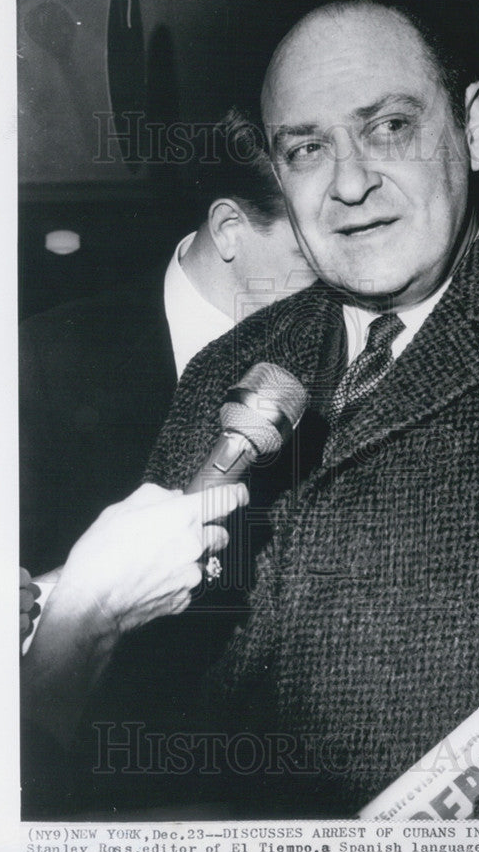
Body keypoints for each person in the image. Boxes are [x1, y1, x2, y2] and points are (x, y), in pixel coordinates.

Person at [24, 0, 479, 819]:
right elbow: (141, 694)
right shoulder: (224, 369)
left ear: (475, 129)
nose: (348, 183)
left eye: (388, 127)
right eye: (307, 149)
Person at [19, 108, 316, 577]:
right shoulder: (41, 360)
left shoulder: (335, 355)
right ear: (228, 230)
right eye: (311, 255)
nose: (338, 274)